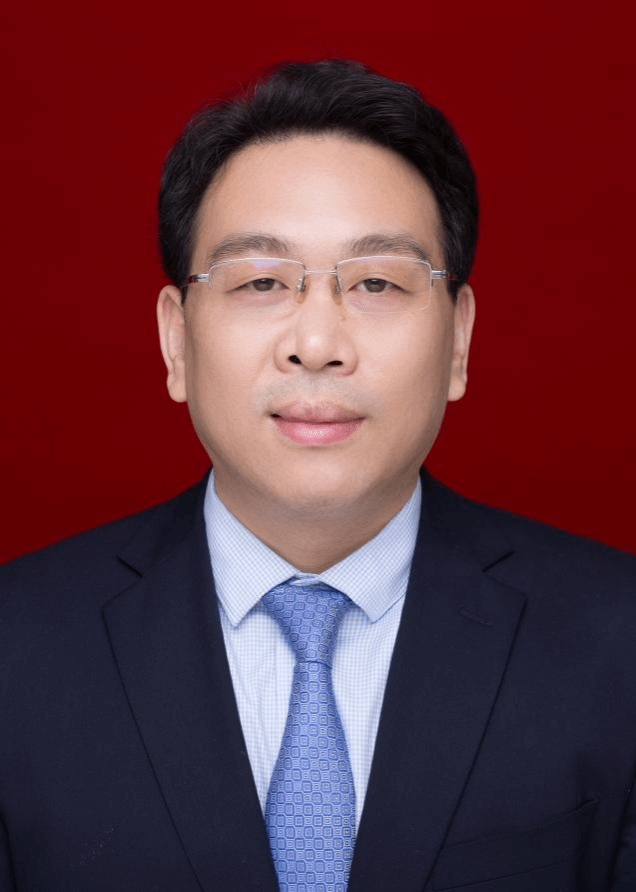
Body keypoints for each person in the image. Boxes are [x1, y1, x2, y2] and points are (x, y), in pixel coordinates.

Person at [1, 59, 635, 892]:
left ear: (458, 339)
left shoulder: (617, 642)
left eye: (376, 282)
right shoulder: (17, 649)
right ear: (176, 340)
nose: (317, 343)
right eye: (262, 281)